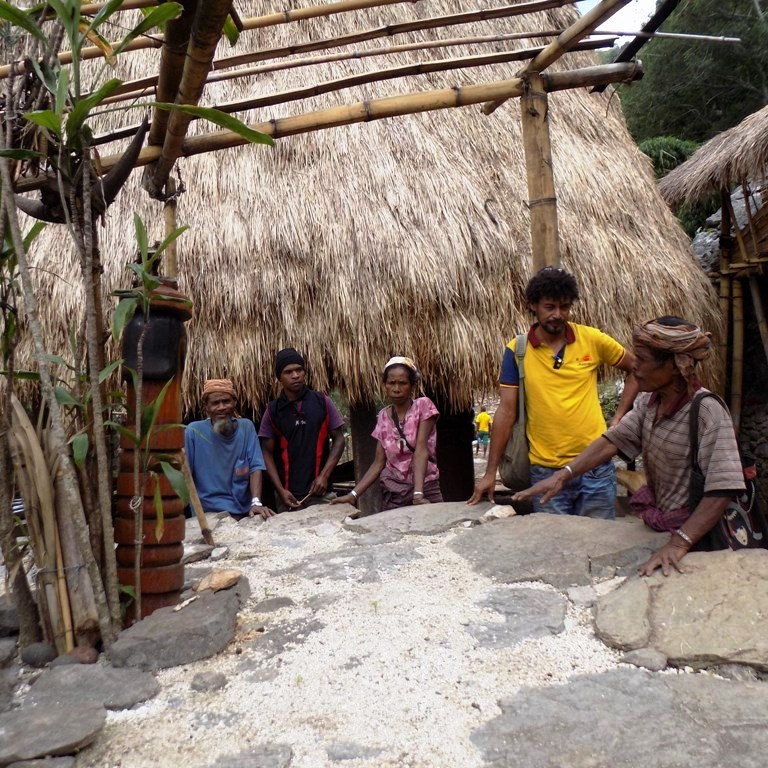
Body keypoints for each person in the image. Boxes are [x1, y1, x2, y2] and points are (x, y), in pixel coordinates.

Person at [512, 317, 746, 576]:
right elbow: (613, 441)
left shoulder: (707, 412)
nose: (634, 367)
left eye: (643, 359)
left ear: (676, 365)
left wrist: (680, 542)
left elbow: (723, 486)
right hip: (662, 526)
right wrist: (562, 475)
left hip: (697, 539)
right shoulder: (649, 402)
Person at [468, 266, 638, 517]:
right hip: (544, 470)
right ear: (534, 306)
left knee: (599, 545)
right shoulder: (517, 351)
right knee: (554, 547)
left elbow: (637, 370)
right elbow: (506, 411)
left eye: (565, 307)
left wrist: (619, 416)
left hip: (595, 466)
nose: (558, 314)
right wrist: (490, 472)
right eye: (550, 307)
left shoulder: (592, 339)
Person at [332, 356, 442, 515]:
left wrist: (418, 494)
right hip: (395, 492)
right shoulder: (383, 417)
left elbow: (421, 450)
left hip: (426, 487)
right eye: (391, 383)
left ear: (412, 386)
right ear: (385, 385)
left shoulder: (423, 406)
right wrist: (353, 495)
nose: (396, 388)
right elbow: (378, 463)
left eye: (402, 383)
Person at [259, 348, 346, 512]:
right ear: (279, 378)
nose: (295, 375)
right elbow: (266, 452)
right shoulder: (272, 411)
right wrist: (280, 490)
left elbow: (339, 439)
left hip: (322, 494)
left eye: (299, 370)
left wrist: (324, 476)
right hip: (288, 496)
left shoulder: (322, 402)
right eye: (288, 372)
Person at [185, 379, 274, 520]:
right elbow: (186, 474)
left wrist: (256, 502)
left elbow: (255, 466)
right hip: (208, 513)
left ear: (234, 403)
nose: (221, 407)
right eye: (215, 403)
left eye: (226, 401)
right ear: (206, 407)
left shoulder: (246, 428)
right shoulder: (193, 432)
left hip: (242, 512)